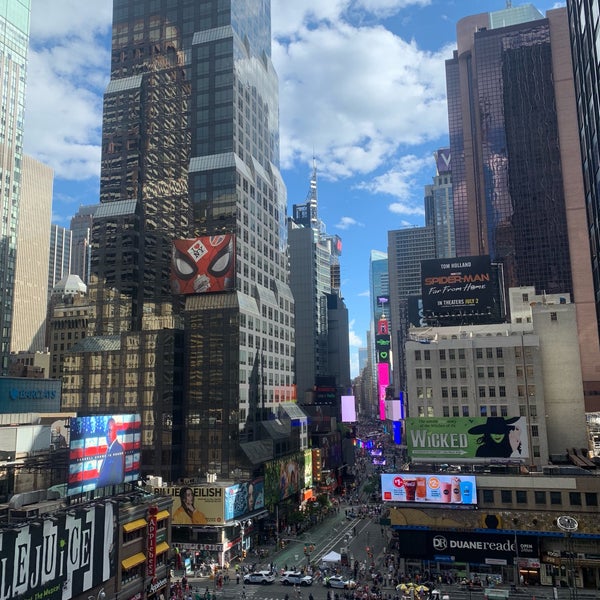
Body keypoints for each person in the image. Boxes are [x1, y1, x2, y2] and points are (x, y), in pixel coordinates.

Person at [96, 417, 125, 487]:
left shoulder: (118, 448)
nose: (107, 434)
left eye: (110, 431)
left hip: (110, 489)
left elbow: (118, 477)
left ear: (115, 431)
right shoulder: (108, 450)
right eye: (106, 431)